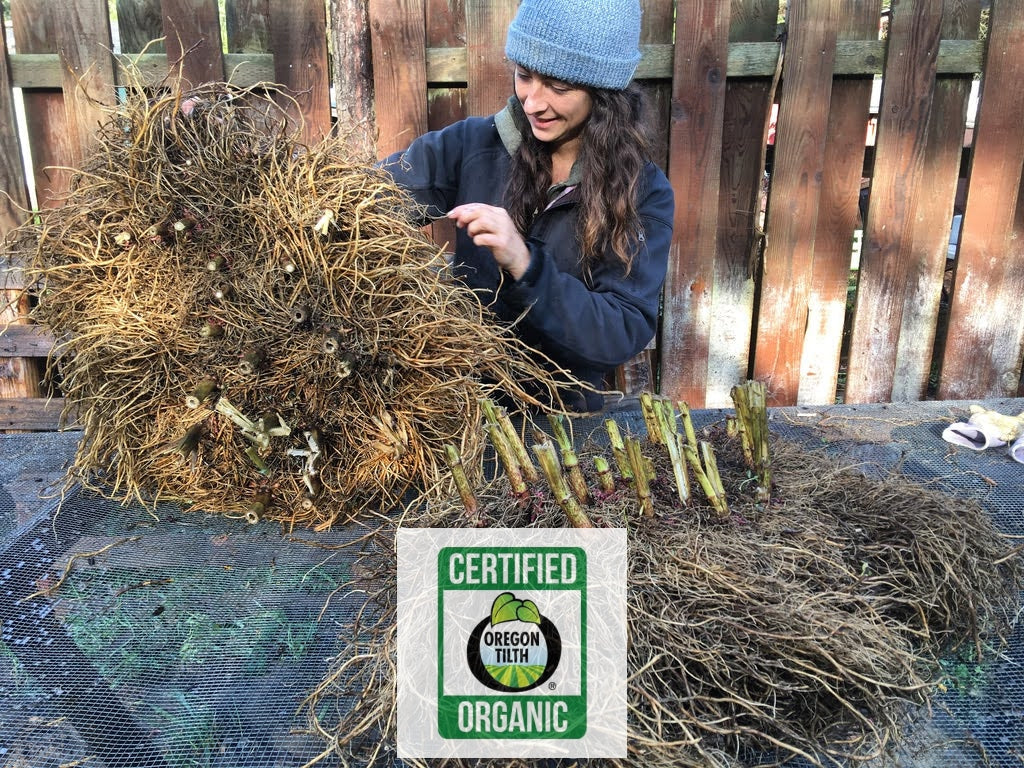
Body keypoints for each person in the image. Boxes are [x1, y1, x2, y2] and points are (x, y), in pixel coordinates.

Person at [380, 0, 674, 412]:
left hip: (563, 422)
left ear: (603, 93)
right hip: (457, 409)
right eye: (525, 76)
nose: (533, 102)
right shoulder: (472, 145)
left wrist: (526, 266)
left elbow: (619, 331)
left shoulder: (643, 192)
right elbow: (369, 197)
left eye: (559, 86)